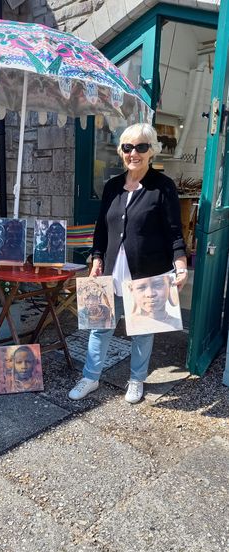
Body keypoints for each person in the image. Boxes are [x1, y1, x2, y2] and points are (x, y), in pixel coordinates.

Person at [69, 123, 188, 404]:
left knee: (142, 333)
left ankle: (136, 380)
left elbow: (174, 233)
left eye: (141, 147)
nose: (134, 153)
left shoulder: (163, 187)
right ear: (121, 151)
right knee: (99, 329)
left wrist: (180, 265)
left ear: (151, 151)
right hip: (111, 274)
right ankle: (90, 377)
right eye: (128, 147)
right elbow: (102, 231)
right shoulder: (112, 186)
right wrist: (97, 257)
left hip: (147, 276)